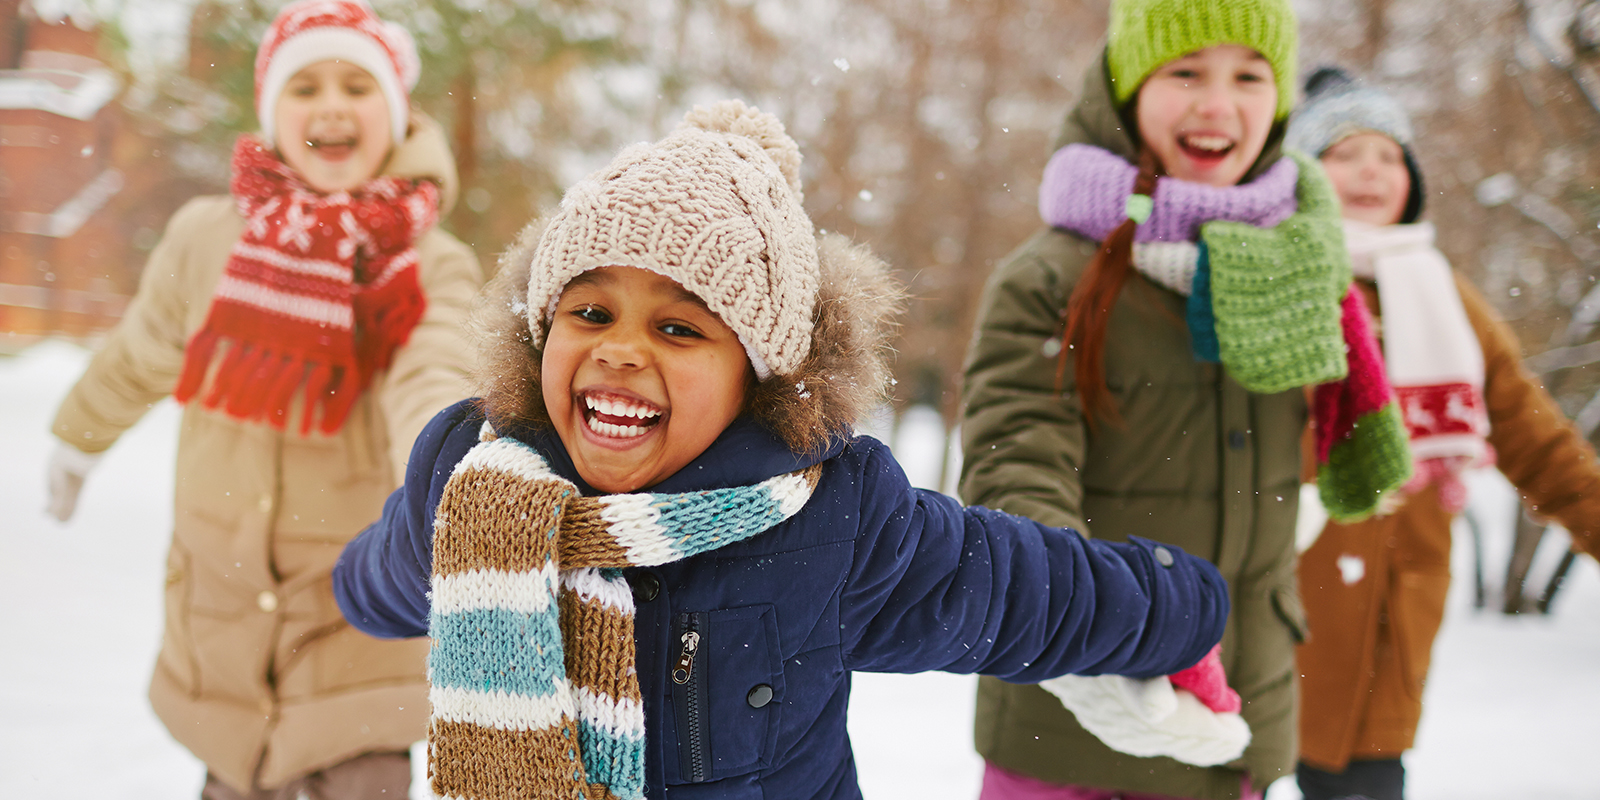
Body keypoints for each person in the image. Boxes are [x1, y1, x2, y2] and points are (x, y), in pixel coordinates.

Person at [331, 100, 1234, 800]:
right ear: (541, 332)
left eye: (680, 327)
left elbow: (1018, 589)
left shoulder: (831, 520)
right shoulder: (478, 486)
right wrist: (351, 585)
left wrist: (1181, 609)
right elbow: (393, 572)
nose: (619, 348)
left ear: (756, 377)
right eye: (590, 312)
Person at [957, 1, 1416, 798]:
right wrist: (1103, 633)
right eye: (1185, 72)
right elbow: (1014, 478)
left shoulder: (1300, 264)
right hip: (1074, 729)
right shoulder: (1051, 280)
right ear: (1127, 90)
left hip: (1240, 718)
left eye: (1248, 75)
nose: (1217, 103)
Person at [43, 1, 482, 797]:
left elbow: (436, 370)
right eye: (304, 86)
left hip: (355, 626)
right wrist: (78, 437)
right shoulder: (206, 239)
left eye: (357, 84)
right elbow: (140, 353)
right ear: (272, 113)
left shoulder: (428, 263)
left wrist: (445, 484)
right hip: (222, 616)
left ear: (396, 112)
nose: (332, 105)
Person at [1287, 67, 1600, 800]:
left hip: (1392, 618)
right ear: (1302, 172)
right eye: (1344, 153)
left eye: (1390, 155)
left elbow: (1538, 443)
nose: (1371, 170)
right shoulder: (1270, 281)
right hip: (1278, 609)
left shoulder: (1444, 298)